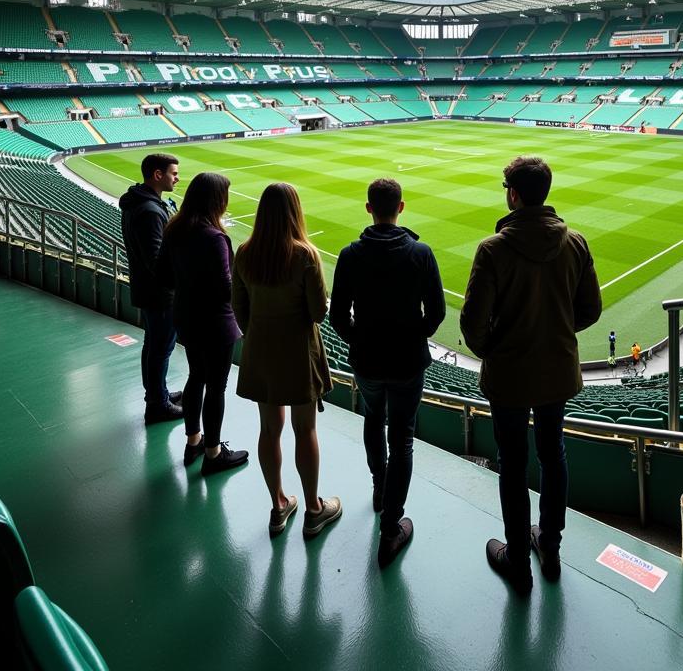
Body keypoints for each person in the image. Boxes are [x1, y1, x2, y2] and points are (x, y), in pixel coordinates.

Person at [461, 155, 602, 594]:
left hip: (508, 378)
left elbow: (472, 325)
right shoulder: (575, 243)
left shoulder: (493, 249)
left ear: (514, 195)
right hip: (557, 371)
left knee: (513, 465)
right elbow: (591, 310)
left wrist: (498, 350)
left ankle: (518, 559)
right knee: (553, 455)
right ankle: (551, 548)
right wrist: (555, 333)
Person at [330, 178, 445, 566]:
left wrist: (359, 340)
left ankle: (380, 489)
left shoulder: (350, 255)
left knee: (372, 418)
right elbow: (437, 313)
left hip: (367, 361)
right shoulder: (421, 252)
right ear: (402, 207)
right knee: (403, 439)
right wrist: (415, 335)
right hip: (408, 361)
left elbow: (336, 316)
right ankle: (391, 525)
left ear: (368, 208)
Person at [234, 183, 341, 539]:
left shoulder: (245, 253)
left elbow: (239, 309)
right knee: (305, 429)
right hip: (298, 353)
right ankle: (313, 509)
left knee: (269, 429)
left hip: (261, 353)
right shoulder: (304, 254)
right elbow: (318, 311)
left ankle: (278, 505)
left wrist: (259, 334)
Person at [157, 172, 247, 476]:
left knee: (196, 377)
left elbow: (165, 277)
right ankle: (213, 453)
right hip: (216, 322)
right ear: (215, 200)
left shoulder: (174, 229)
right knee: (216, 387)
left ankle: (193, 441)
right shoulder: (215, 237)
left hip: (185, 316)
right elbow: (225, 288)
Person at [120, 154, 183, 425]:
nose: (177, 178)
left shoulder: (141, 204)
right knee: (160, 349)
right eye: (173, 173)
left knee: (154, 347)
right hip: (160, 295)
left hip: (148, 290)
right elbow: (157, 261)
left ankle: (159, 394)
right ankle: (158, 404)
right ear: (158, 175)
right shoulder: (150, 211)